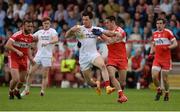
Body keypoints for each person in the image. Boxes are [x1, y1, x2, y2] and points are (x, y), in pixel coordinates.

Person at [65, 11, 116, 95]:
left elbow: (109, 33)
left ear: (91, 20)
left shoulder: (96, 29)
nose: (84, 21)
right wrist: (71, 30)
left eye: (86, 19)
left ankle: (108, 87)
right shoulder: (79, 28)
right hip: (83, 57)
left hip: (93, 54)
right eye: (83, 20)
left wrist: (118, 33)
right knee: (89, 82)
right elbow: (66, 36)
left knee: (103, 65)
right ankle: (97, 84)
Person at [21, 17, 59, 96]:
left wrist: (48, 42)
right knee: (30, 72)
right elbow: (31, 38)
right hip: (38, 55)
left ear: (50, 24)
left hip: (47, 56)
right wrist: (31, 44)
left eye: (47, 23)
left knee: (44, 75)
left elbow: (56, 40)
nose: (46, 25)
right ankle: (26, 90)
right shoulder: (39, 32)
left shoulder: (52, 31)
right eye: (45, 23)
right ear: (42, 24)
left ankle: (42, 91)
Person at [95, 16, 128, 103]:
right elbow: (96, 38)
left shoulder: (120, 31)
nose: (106, 25)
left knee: (122, 82)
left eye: (107, 23)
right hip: (112, 58)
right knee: (111, 76)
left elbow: (110, 41)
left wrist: (101, 34)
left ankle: (121, 94)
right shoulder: (107, 32)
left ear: (113, 22)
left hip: (122, 59)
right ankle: (121, 95)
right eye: (105, 23)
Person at [149, 18, 178, 101]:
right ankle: (159, 90)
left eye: (160, 23)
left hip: (166, 60)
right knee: (154, 76)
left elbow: (175, 44)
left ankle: (167, 92)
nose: (158, 25)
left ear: (164, 24)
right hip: (157, 59)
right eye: (157, 23)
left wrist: (168, 47)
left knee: (165, 79)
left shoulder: (168, 32)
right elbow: (153, 44)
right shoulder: (154, 33)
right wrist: (151, 53)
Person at [5, 19, 34, 99]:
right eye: (28, 26)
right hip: (14, 58)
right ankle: (10, 91)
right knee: (15, 79)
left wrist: (31, 58)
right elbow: (7, 45)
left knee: (22, 80)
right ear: (23, 26)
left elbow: (28, 48)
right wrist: (17, 51)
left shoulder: (31, 37)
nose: (30, 28)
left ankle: (16, 90)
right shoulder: (17, 35)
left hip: (24, 59)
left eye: (31, 26)